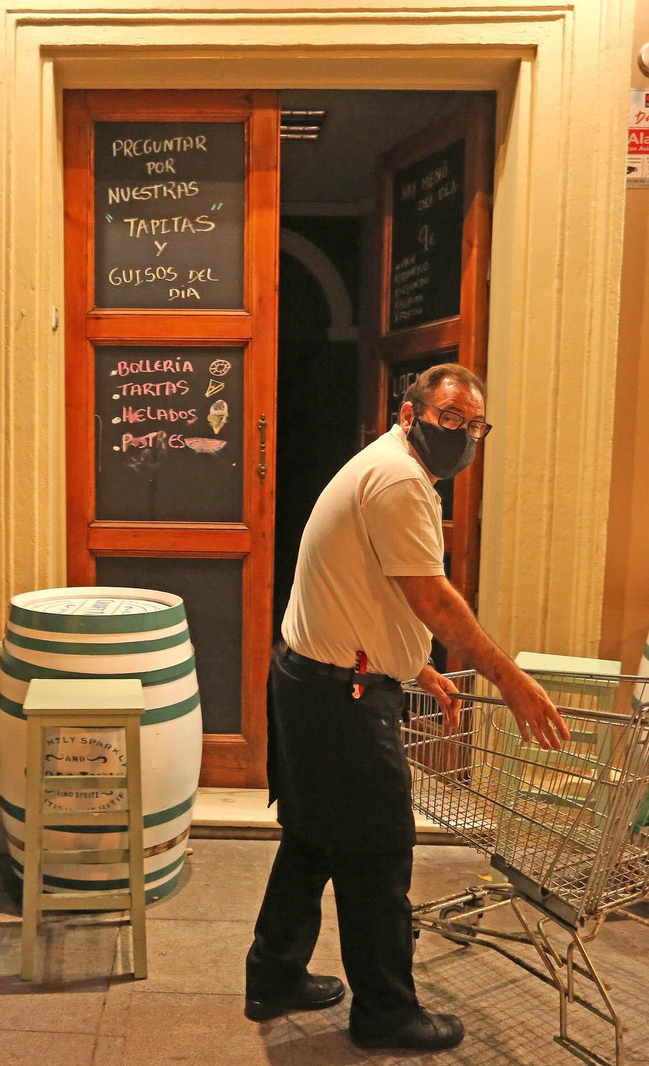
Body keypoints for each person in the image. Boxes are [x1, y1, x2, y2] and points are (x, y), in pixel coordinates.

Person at [244, 363, 569, 1051]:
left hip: (313, 680)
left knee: (311, 838)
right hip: (341, 696)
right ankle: (386, 1014)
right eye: (449, 416)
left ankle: (273, 976)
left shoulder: (387, 468)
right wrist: (510, 680)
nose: (462, 433)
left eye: (473, 424)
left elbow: (364, 584)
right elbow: (430, 596)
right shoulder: (398, 478)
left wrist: (414, 664)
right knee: (379, 852)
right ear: (409, 412)